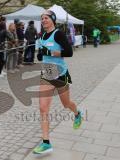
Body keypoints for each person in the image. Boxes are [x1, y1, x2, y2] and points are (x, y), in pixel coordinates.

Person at [33, 10, 82, 154]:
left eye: (46, 18)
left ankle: (77, 113)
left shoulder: (58, 34)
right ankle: (46, 142)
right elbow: (42, 54)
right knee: (43, 108)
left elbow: (69, 52)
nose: (43, 20)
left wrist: (49, 53)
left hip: (60, 73)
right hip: (47, 72)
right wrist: (41, 54)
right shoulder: (41, 36)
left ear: (53, 20)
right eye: (42, 18)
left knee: (66, 104)